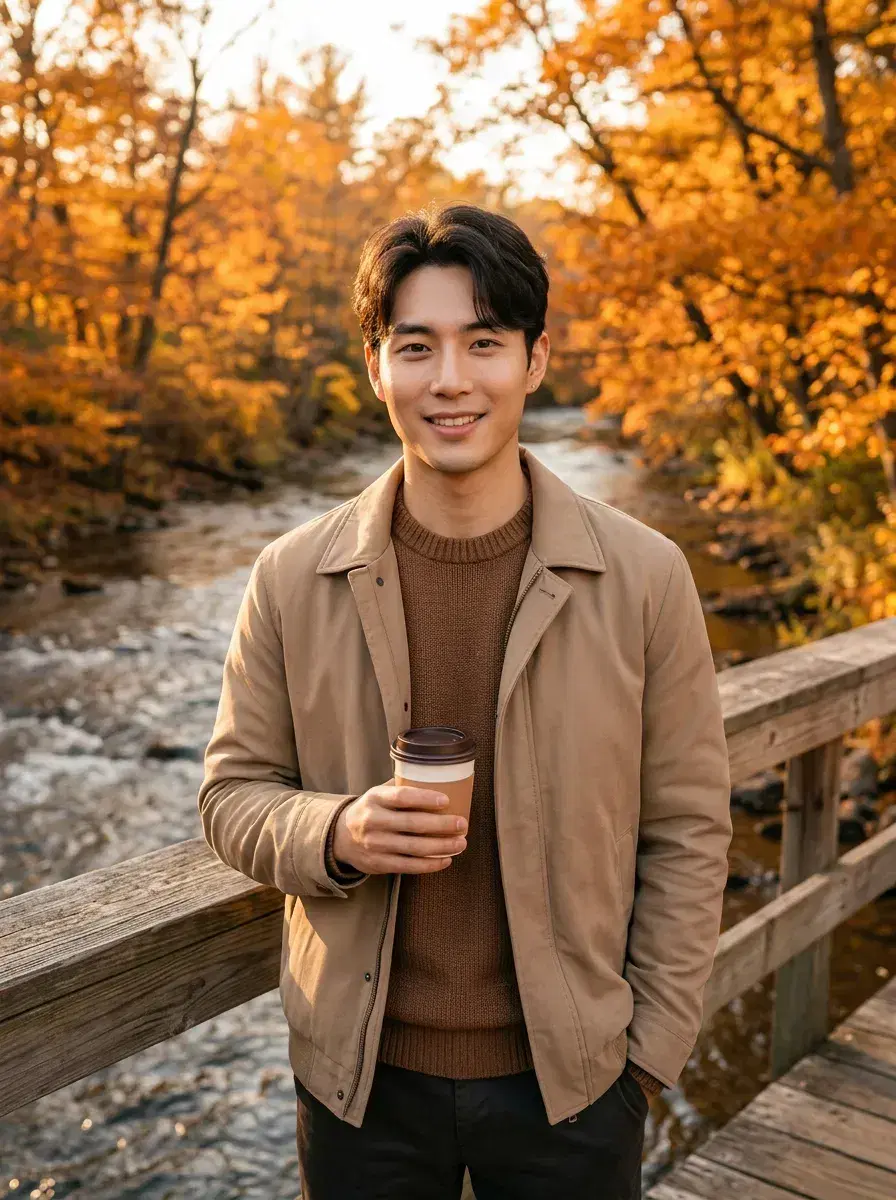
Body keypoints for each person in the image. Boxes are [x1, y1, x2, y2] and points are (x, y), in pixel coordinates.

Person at [198, 203, 733, 1199]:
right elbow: (230, 795)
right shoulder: (287, 577)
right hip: (358, 1088)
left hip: (573, 1089)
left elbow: (689, 829)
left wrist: (647, 1057)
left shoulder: (643, 577)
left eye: (481, 343)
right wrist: (335, 829)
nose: (449, 380)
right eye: (417, 346)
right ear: (375, 364)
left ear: (532, 361)